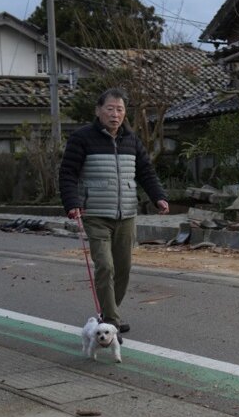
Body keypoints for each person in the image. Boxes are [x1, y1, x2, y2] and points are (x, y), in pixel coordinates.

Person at [59, 88, 169, 334]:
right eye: (110, 109)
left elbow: (146, 173)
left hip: (126, 214)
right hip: (95, 213)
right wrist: (72, 203)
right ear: (98, 111)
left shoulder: (131, 140)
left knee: (123, 269)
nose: (115, 114)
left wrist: (159, 197)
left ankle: (109, 313)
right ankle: (111, 320)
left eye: (120, 109)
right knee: (105, 266)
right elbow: (67, 173)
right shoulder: (82, 138)